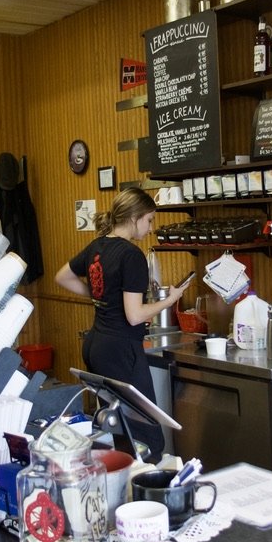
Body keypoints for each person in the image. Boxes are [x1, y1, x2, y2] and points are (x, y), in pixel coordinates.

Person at [55, 188, 188, 461]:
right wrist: (171, 299)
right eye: (149, 220)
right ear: (135, 218)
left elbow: (63, 277)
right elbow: (135, 315)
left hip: (96, 345)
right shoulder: (132, 256)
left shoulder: (97, 246)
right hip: (121, 350)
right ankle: (145, 496)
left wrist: (100, 295)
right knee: (148, 439)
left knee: (120, 430)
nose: (150, 228)